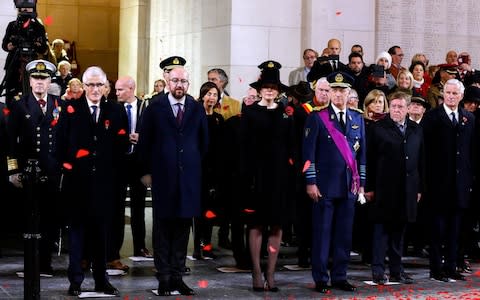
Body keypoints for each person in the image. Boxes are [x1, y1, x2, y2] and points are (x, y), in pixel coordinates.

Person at [55, 66, 128, 296]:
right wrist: (69, 169)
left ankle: (101, 280)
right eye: (90, 85)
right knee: (76, 235)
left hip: (105, 185)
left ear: (105, 86)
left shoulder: (115, 111)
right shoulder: (71, 109)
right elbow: (60, 145)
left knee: (101, 235)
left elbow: (122, 147)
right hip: (77, 185)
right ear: (84, 86)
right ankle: (75, 281)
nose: (95, 89)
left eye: (99, 85)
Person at [138, 67, 208, 296]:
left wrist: (197, 169)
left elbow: (203, 142)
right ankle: (164, 277)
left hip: (188, 179)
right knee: (162, 229)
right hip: (163, 177)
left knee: (182, 228)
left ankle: (178, 276)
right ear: (168, 81)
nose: (179, 85)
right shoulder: (155, 107)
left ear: (189, 84)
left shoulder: (196, 108)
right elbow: (144, 141)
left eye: (184, 81)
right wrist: (146, 172)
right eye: (175, 80)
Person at [303, 71, 366, 293]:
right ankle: (321, 278)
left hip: (349, 186)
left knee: (344, 234)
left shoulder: (357, 118)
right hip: (325, 186)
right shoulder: (317, 117)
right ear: (328, 92)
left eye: (343, 91)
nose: (339, 95)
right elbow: (308, 154)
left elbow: (362, 156)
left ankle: (340, 276)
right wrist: (311, 182)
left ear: (349, 93)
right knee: (322, 233)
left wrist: (362, 183)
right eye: (335, 90)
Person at [6, 59, 63, 277]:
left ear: (50, 81)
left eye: (44, 78)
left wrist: (64, 167)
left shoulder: (59, 104)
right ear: (30, 81)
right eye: (36, 78)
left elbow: (63, 138)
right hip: (29, 172)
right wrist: (13, 171)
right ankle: (31, 264)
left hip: (52, 172)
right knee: (30, 220)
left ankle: (46, 263)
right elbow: (11, 141)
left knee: (49, 219)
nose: (40, 82)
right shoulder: (19, 105)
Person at [241, 60, 293, 292]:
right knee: (256, 224)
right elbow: (243, 146)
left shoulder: (285, 114)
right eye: (266, 86)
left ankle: (271, 273)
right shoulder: (250, 112)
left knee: (276, 225)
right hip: (256, 177)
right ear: (260, 89)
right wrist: (246, 176)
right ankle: (256, 271)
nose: (270, 90)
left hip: (280, 177)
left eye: (274, 87)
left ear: (279, 90)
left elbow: (292, 148)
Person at [365, 91, 425, 285]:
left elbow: (420, 161)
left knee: (399, 233)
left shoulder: (416, 129)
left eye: (400, 107)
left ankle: (397, 271)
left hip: (408, 188)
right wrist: (369, 187)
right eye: (393, 106)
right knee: (381, 232)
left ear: (408, 109)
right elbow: (369, 160)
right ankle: (378, 271)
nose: (396, 110)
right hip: (384, 189)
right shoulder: (377, 128)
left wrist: (418, 188)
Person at [421, 79, 475, 282]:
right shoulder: (432, 117)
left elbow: (471, 152)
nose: (451, 96)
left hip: (461, 184)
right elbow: (425, 152)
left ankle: (452, 266)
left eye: (455, 93)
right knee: (437, 230)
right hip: (438, 184)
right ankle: (436, 269)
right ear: (443, 94)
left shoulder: (469, 118)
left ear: (461, 96)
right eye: (448, 93)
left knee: (455, 229)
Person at [107, 76, 150, 272]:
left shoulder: (146, 107)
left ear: (131, 88)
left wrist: (142, 138)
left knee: (139, 207)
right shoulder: (113, 108)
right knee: (116, 209)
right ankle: (114, 252)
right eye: (115, 90)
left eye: (120, 90)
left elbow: (154, 134)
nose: (117, 93)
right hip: (118, 164)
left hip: (139, 164)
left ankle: (140, 247)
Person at [193, 81, 224, 259]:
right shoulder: (196, 116)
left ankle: (207, 243)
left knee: (210, 209)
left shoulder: (219, 119)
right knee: (198, 209)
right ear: (203, 95)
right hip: (198, 169)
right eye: (209, 94)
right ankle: (198, 244)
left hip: (214, 170)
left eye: (215, 95)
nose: (211, 98)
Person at [2, 3, 49, 105]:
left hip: (31, 63)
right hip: (13, 64)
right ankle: (9, 114)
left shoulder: (38, 27)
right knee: (11, 92)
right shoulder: (12, 25)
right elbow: (4, 45)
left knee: (31, 92)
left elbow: (44, 49)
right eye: (22, 6)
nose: (25, 9)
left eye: (28, 6)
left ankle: (30, 114)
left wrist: (37, 45)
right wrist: (11, 45)